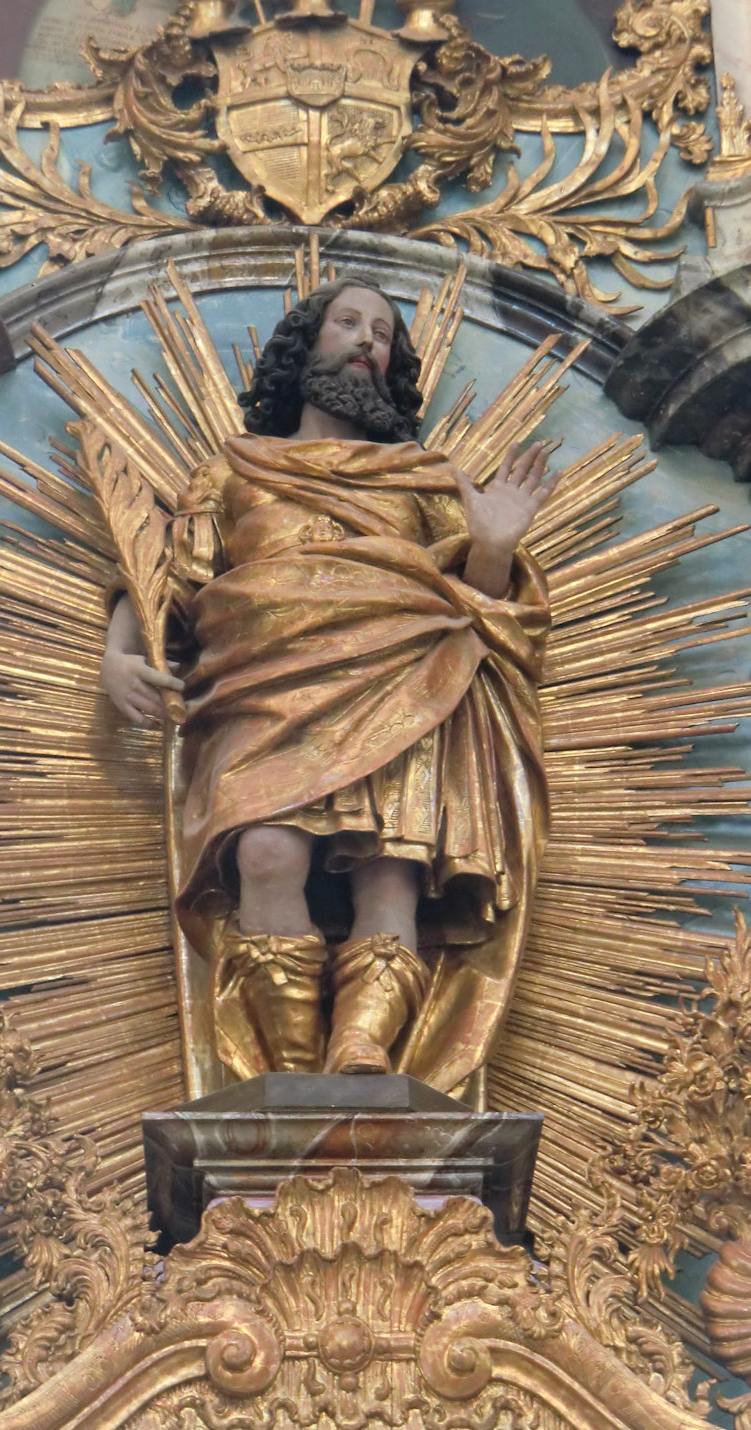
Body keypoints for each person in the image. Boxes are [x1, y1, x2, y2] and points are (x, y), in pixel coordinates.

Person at [102, 275, 553, 1097]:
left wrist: (492, 545)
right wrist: (116, 653)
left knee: (391, 871)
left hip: (407, 681)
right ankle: (291, 1072)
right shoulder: (235, 471)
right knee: (268, 854)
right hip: (264, 684)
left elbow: (485, 606)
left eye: (383, 333)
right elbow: (168, 576)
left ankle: (363, 1060)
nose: (367, 341)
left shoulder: (425, 480)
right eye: (348, 322)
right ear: (307, 346)